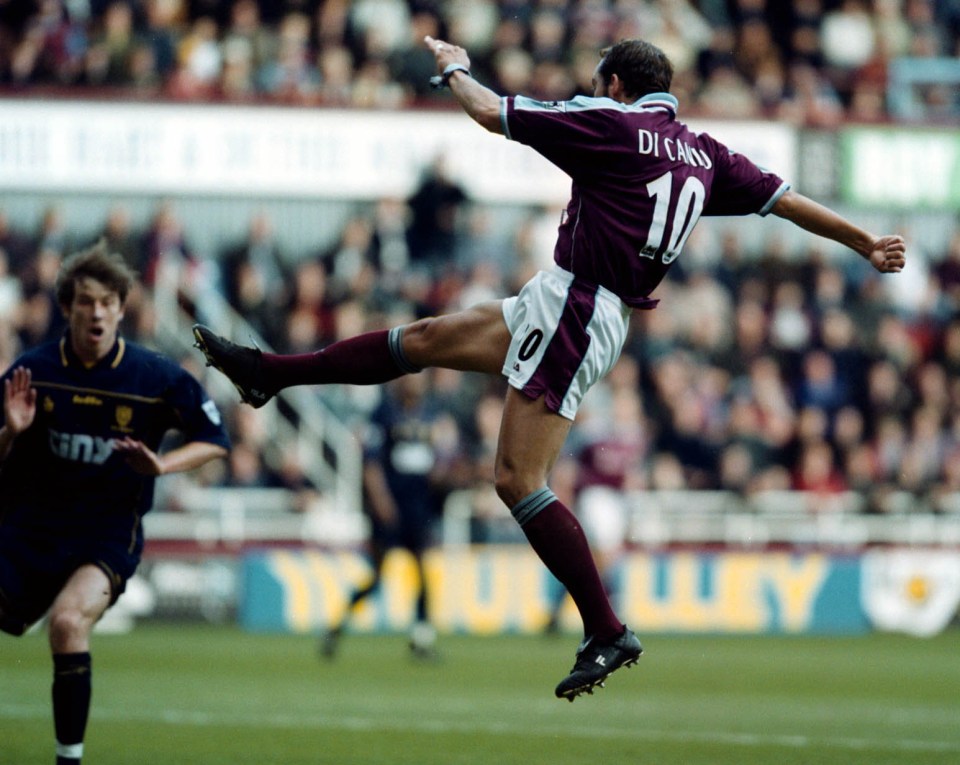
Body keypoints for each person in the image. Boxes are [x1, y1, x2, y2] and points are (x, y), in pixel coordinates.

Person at [193, 36, 906, 701]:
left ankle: (606, 627)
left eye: (596, 83)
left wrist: (453, 66)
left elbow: (485, 110)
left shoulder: (610, 123)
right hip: (568, 295)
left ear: (616, 84)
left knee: (515, 478)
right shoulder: (703, 152)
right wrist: (865, 242)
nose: (588, 91)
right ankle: (269, 372)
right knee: (428, 337)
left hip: (579, 306)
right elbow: (786, 202)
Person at [0, 240, 230, 765]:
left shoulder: (156, 378)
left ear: (122, 309)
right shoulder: (31, 373)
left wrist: (162, 466)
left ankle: (68, 760)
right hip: (27, 529)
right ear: (67, 309)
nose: (97, 311)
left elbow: (214, 439)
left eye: (107, 301)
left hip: (103, 535)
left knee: (67, 623)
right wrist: (10, 434)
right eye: (85, 301)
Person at [320, 372, 443, 660]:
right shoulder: (383, 413)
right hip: (391, 507)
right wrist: (382, 501)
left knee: (423, 575)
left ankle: (421, 641)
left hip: (417, 507)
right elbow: (372, 462)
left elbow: (429, 459)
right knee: (377, 576)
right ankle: (337, 626)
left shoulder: (429, 414)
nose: (414, 383)